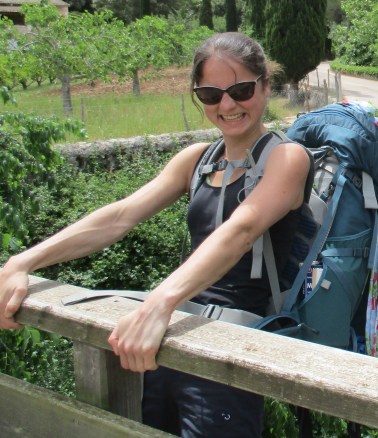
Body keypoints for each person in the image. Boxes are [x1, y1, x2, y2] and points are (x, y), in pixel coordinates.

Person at [0, 32, 316, 437]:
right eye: (211, 95)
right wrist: (23, 261)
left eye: (241, 90)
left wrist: (158, 303)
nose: (227, 105)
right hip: (168, 340)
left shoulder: (287, 158)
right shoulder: (197, 159)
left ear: (266, 85)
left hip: (229, 353)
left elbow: (242, 229)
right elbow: (120, 216)